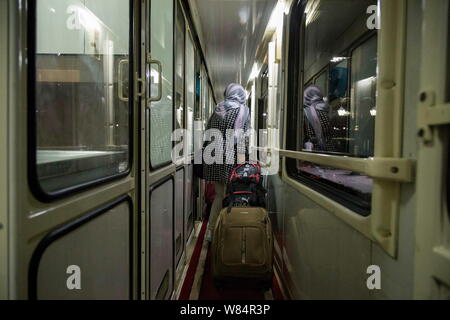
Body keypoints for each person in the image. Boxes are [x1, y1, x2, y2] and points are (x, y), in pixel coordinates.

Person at [202, 83, 250, 242]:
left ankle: (211, 231)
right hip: (231, 159)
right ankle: (228, 233)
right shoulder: (243, 110)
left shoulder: (218, 108)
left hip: (214, 158)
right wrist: (243, 165)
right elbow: (244, 139)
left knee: (219, 195)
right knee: (231, 196)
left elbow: (207, 133)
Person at [303, 85, 335, 152]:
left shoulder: (307, 111)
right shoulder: (328, 109)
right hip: (331, 149)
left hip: (315, 150)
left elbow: (309, 134)